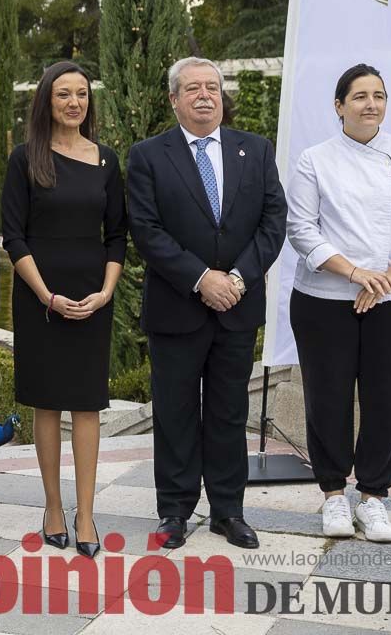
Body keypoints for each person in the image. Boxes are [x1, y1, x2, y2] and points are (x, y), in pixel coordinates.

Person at [126, 57, 287, 551]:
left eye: (212, 88)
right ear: (173, 99)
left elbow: (273, 221)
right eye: (192, 88)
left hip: (237, 306)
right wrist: (201, 279)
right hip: (178, 308)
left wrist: (236, 277)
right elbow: (146, 230)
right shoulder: (148, 155)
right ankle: (173, 511)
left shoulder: (254, 150)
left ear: (222, 96)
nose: (204, 96)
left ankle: (228, 511)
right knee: (174, 413)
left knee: (228, 412)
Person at [286, 64, 391, 542]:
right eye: (359, 96)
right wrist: (356, 274)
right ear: (339, 106)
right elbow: (301, 228)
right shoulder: (315, 159)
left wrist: (387, 278)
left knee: (387, 399)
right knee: (328, 395)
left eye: (378, 96)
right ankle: (334, 495)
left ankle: (374, 498)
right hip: (326, 297)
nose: (370, 104)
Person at [1, 61, 127, 559]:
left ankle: (87, 513)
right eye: (62, 95)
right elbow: (14, 235)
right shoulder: (24, 158)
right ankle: (54, 507)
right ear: (46, 102)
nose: (74, 103)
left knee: (87, 403)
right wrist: (46, 295)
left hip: (94, 296)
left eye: (81, 94)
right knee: (47, 402)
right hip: (42, 297)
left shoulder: (106, 161)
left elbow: (117, 234)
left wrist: (106, 292)